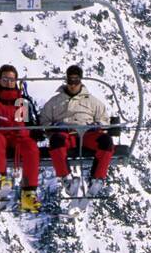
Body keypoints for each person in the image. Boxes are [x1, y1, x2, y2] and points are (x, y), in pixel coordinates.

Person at [39, 64, 115, 198]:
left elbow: (104, 120)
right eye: (70, 81)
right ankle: (66, 178)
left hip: (88, 133)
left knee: (106, 141)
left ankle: (97, 178)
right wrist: (52, 128)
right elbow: (44, 120)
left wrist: (99, 126)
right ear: (66, 80)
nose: (73, 85)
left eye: (76, 81)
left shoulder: (92, 102)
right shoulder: (55, 102)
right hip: (66, 134)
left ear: (80, 81)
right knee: (56, 141)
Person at [0, 64, 42, 213]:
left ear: (16, 81)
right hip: (0, 136)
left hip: (19, 138)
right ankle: (0, 177)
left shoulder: (22, 102)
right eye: (5, 79)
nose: (8, 83)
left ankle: (28, 192)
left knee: (32, 148)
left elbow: (32, 123)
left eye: (11, 80)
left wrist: (35, 132)